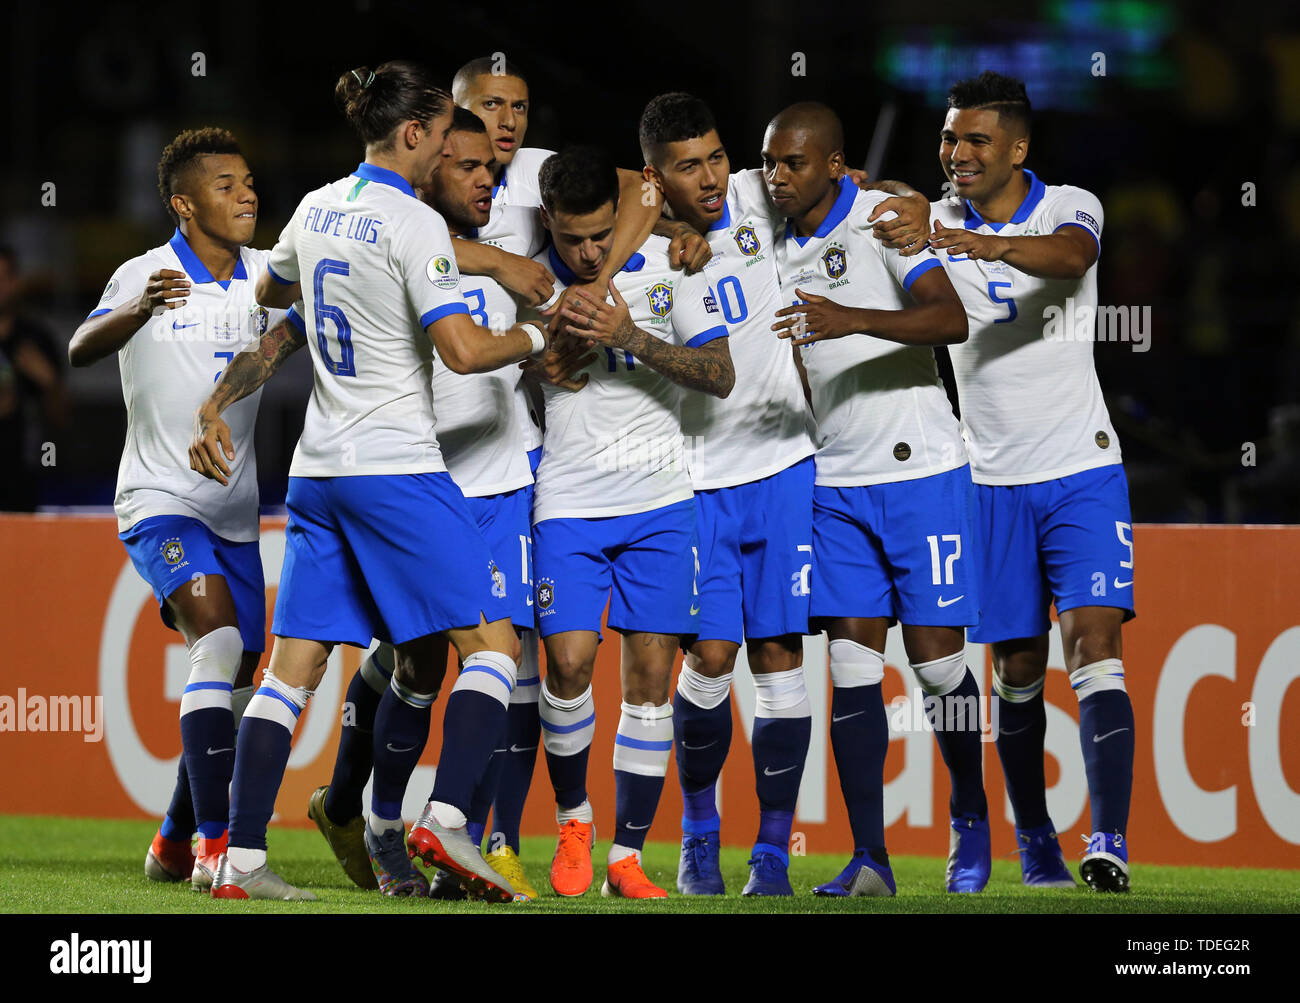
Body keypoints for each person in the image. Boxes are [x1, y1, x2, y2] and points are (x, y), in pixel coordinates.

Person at [190, 61, 553, 901]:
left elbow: (274, 294)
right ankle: (449, 820)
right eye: (444, 138)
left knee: (291, 672)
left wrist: (220, 396)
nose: (454, 157)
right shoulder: (413, 222)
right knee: (494, 651)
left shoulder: (316, 205)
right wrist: (534, 339)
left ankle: (239, 862)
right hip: (394, 466)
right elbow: (463, 352)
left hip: (317, 471)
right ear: (417, 134)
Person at [868, 71, 1136, 891]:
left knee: (1094, 645)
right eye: (949, 137)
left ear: (1018, 147)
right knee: (1014, 673)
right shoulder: (930, 220)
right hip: (983, 479)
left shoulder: (1069, 204)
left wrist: (978, 243)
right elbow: (851, 200)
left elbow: (1071, 258)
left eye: (977, 139)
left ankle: (1111, 841)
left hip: (1082, 467)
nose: (958, 153)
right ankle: (1034, 839)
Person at [764, 102, 990, 896]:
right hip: (835, 483)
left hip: (920, 470)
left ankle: (970, 812)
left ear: (835, 165)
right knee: (853, 670)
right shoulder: (773, 241)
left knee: (936, 667)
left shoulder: (883, 221)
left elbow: (950, 319)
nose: (776, 176)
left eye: (793, 163)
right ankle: (872, 858)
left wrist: (847, 318)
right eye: (770, 163)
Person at [68, 127, 288, 891]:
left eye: (250, 181)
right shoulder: (146, 272)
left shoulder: (267, 277)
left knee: (235, 678)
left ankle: (170, 839)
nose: (247, 194)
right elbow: (79, 349)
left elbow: (300, 324)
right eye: (226, 185)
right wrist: (133, 310)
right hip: (158, 502)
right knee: (220, 641)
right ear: (183, 204)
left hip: (236, 511)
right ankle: (215, 848)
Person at [527, 147, 734, 899]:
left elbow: (720, 373)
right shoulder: (529, 277)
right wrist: (536, 359)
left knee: (651, 676)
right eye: (574, 237)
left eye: (600, 235)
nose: (588, 251)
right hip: (570, 501)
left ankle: (627, 856)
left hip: (660, 499)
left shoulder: (669, 262)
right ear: (548, 220)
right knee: (569, 664)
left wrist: (630, 336)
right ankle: (575, 821)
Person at [637, 93, 819, 896]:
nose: (710, 177)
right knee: (709, 658)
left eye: (715, 156)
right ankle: (700, 833)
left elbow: (841, 178)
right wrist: (662, 224)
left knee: (781, 656)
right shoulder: (639, 251)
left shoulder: (754, 191)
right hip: (698, 476)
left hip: (786, 465)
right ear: (653, 177)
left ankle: (773, 851)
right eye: (686, 166)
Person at [0, 245, 66, 511]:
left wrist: (48, 383)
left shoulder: (37, 339)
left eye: (3, 278)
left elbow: (61, 420)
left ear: (15, 282)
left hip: (23, 488)